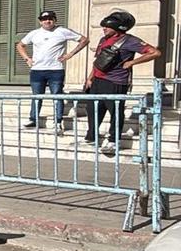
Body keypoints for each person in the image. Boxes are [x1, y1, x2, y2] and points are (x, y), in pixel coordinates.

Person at [85, 10, 161, 155]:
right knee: (93, 109)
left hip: (116, 82)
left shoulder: (130, 40)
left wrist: (132, 62)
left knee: (115, 112)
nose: (104, 29)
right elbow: (98, 62)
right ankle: (91, 137)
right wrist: (90, 78)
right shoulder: (103, 40)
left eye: (107, 27)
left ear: (117, 27)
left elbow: (155, 52)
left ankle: (114, 141)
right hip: (98, 81)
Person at [16, 9, 88, 134]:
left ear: (54, 20)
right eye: (44, 19)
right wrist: (27, 58)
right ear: (40, 21)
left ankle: (58, 122)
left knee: (57, 95)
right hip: (37, 70)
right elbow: (20, 45)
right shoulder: (34, 33)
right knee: (36, 96)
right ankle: (33, 119)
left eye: (50, 19)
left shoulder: (62, 31)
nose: (47, 21)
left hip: (55, 70)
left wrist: (70, 54)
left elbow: (84, 40)